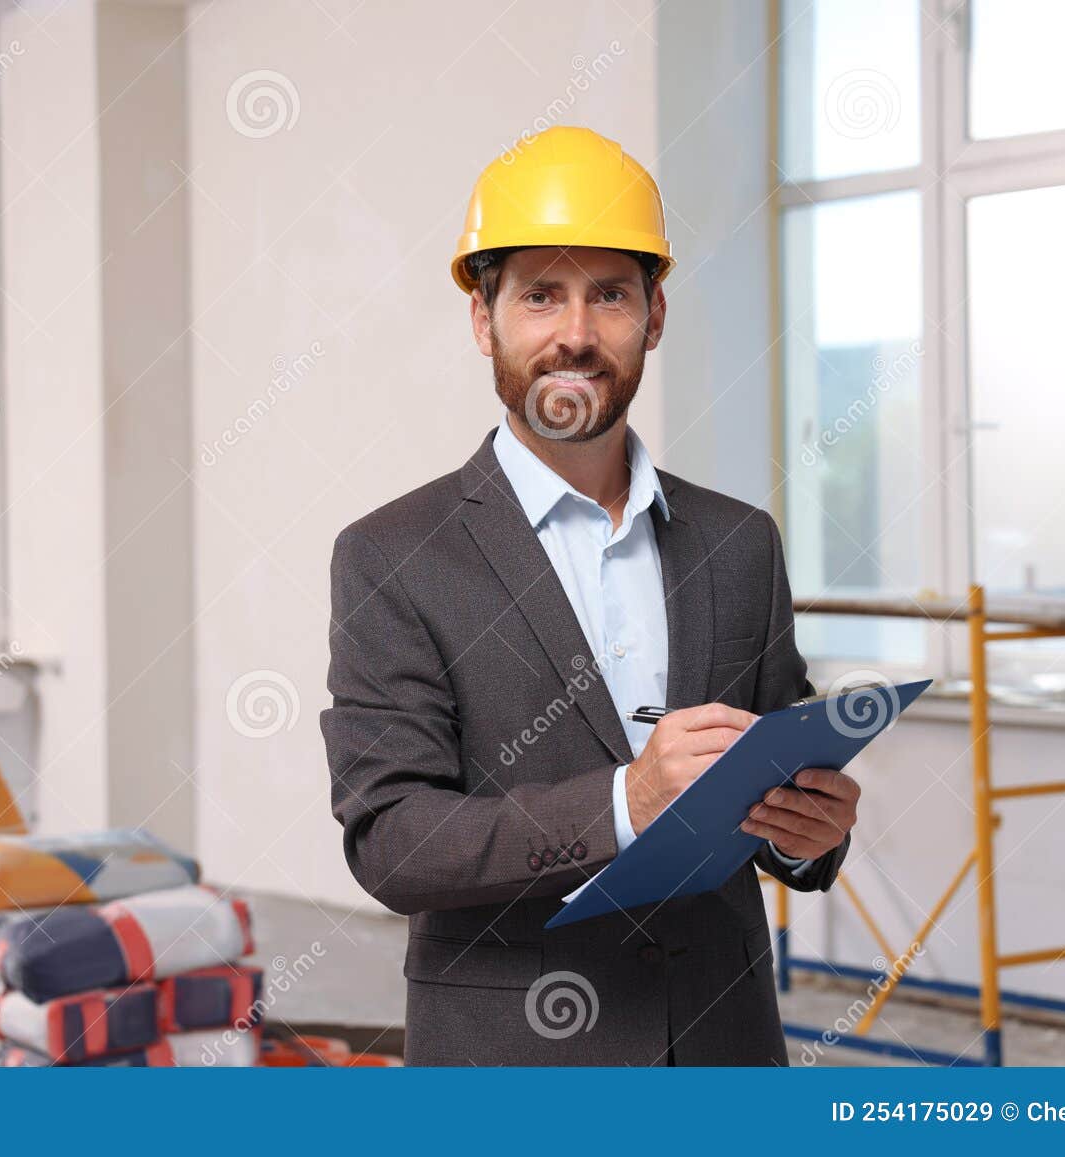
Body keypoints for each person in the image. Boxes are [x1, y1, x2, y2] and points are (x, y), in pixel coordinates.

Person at [320, 126, 859, 1066]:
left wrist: (805, 835)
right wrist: (624, 800)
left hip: (722, 1045)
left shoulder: (738, 544)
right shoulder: (393, 557)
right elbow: (394, 843)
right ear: (484, 320)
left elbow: (777, 772)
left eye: (609, 294)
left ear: (654, 315)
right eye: (541, 295)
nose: (576, 332)